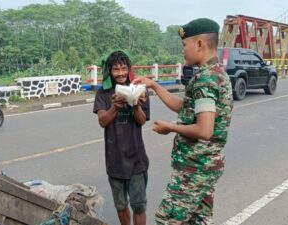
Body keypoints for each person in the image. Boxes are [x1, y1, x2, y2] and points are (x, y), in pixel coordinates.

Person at [134, 18, 233, 224]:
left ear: (199, 44)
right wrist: (153, 85)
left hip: (195, 168)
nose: (182, 50)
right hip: (207, 166)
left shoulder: (205, 79)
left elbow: (204, 130)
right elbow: (185, 107)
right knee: (198, 220)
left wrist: (170, 127)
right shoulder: (217, 74)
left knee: (167, 219)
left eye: (184, 45)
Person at [93, 50, 150, 225]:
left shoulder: (139, 90)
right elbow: (103, 121)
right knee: (121, 205)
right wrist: (115, 107)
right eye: (116, 69)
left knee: (139, 206)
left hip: (137, 160)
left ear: (129, 69)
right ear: (109, 71)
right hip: (115, 160)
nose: (120, 73)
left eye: (124, 68)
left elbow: (142, 121)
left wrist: (135, 105)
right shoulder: (103, 93)